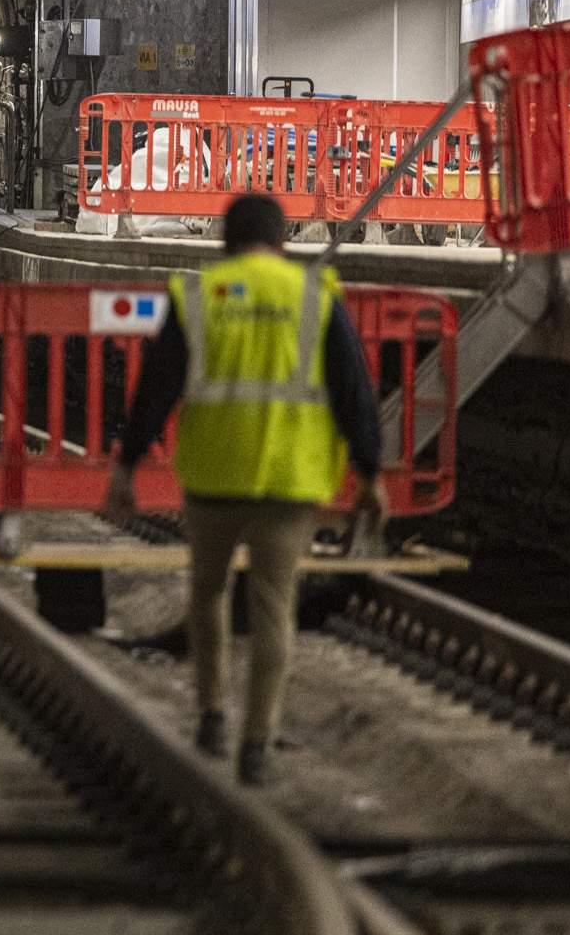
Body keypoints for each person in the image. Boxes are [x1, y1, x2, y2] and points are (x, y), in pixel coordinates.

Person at [101, 193, 390, 787]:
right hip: (289, 480)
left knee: (206, 594)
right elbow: (353, 391)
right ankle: (256, 740)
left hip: (213, 475)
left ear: (225, 242)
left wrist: (126, 466)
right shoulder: (314, 296)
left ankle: (211, 714)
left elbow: (156, 388)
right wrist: (370, 474)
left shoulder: (202, 295)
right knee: (272, 609)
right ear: (283, 240)